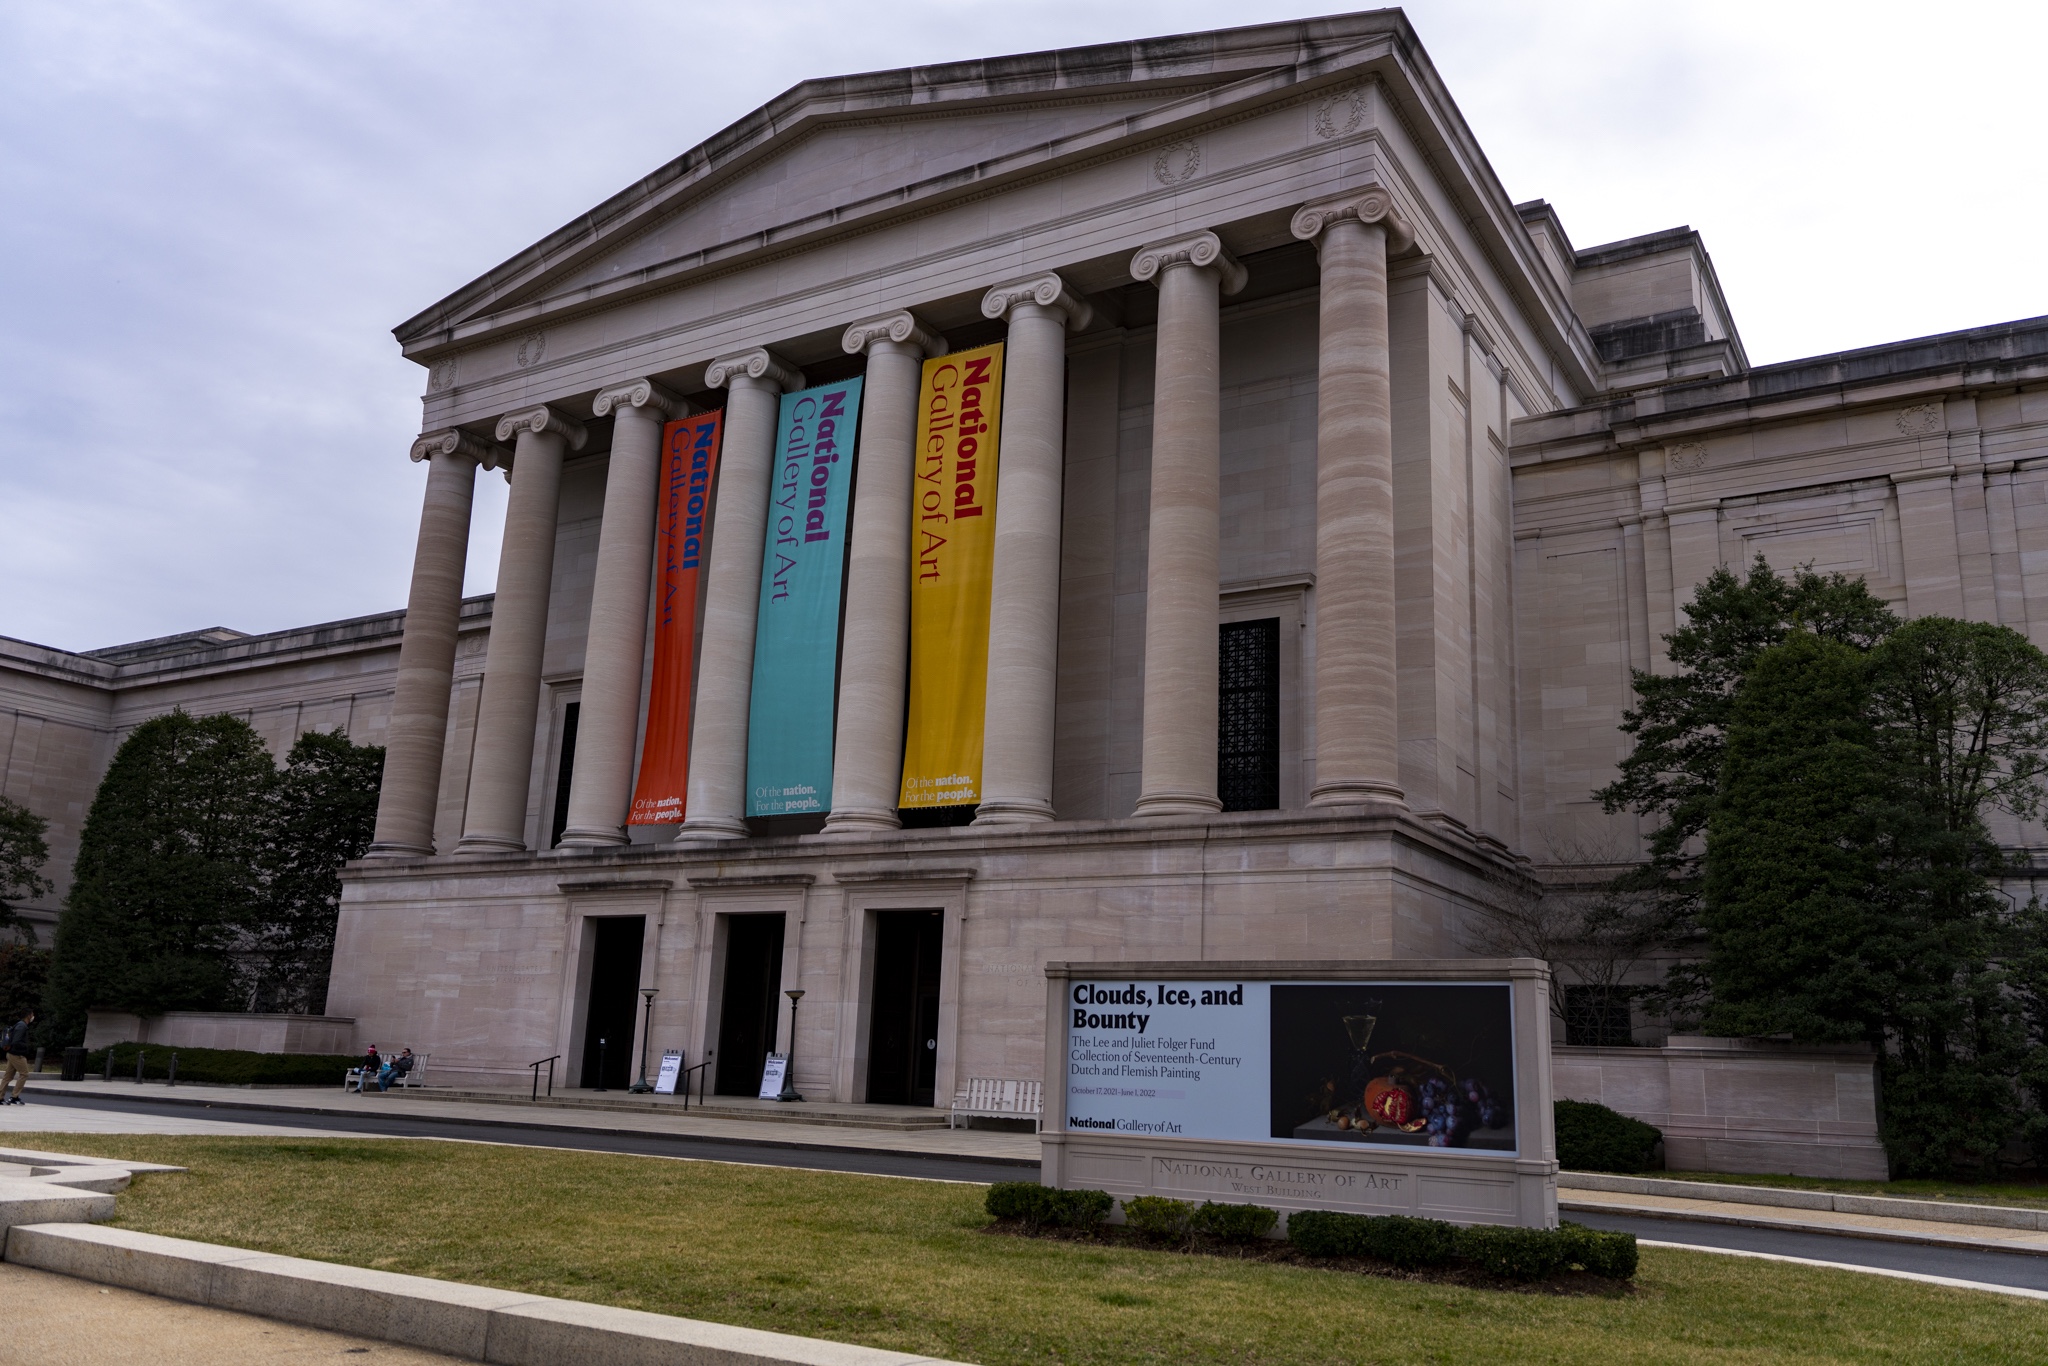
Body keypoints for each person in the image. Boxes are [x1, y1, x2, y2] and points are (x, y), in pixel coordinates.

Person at [0, 1010, 34, 1105]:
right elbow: (16, 1041)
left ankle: (0, 1097)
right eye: (32, 1014)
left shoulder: (19, 1025)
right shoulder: (22, 1026)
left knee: (7, 1077)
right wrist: (26, 1047)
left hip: (11, 1054)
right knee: (24, 1074)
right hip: (17, 1055)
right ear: (28, 1016)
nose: (33, 1016)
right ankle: (14, 1096)